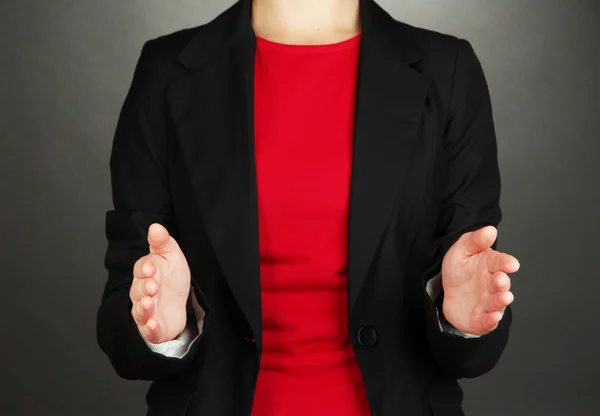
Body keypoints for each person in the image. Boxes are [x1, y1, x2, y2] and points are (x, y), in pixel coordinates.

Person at [96, 0, 520, 414]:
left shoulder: (447, 70)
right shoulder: (167, 69)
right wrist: (164, 329)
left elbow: (473, 351)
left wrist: (460, 321)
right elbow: (122, 330)